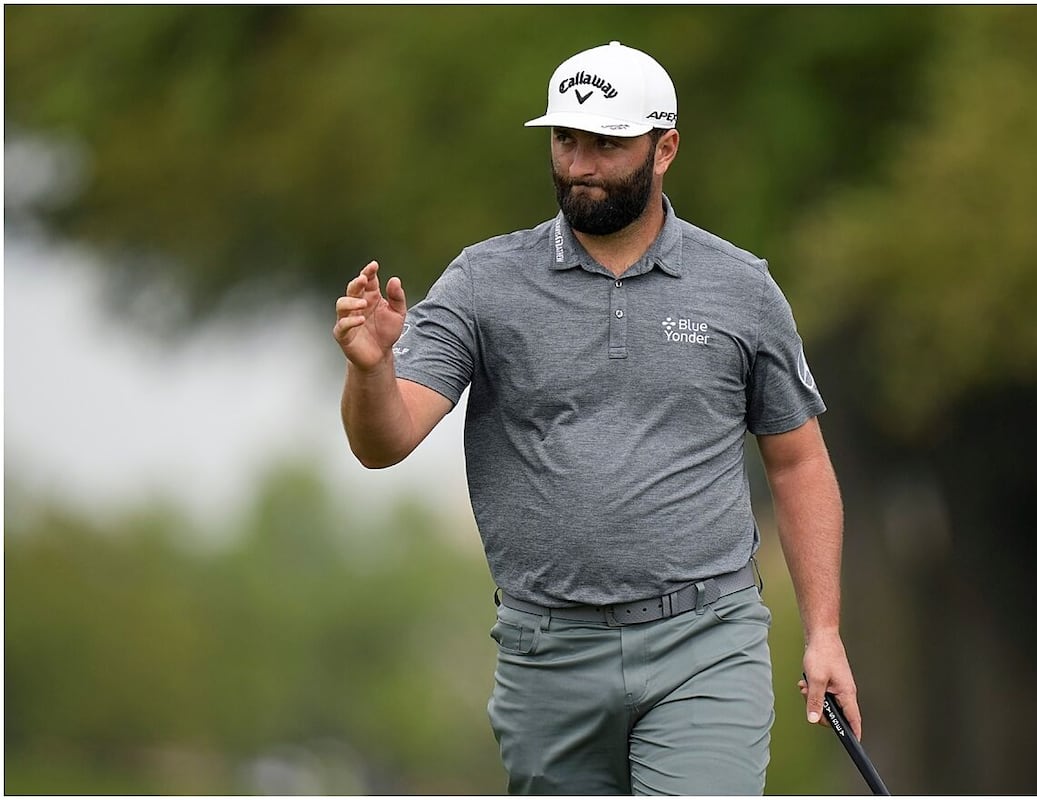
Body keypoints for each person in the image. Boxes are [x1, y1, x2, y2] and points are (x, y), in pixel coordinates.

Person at [333, 41, 860, 796]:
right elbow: (385, 442)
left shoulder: (740, 288)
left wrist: (825, 633)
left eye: (606, 144)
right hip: (547, 650)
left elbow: (799, 462)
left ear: (665, 147)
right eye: (565, 139)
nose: (579, 163)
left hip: (706, 640)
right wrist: (370, 368)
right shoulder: (484, 282)